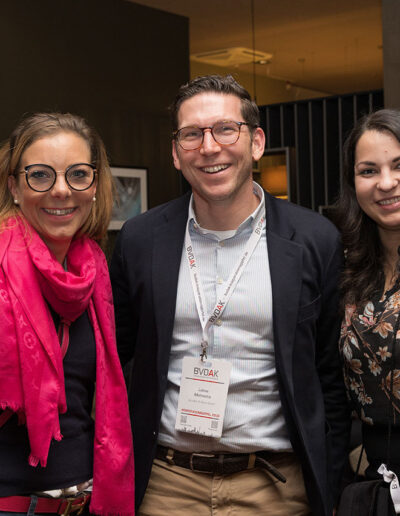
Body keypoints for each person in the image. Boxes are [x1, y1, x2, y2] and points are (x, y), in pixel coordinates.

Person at [111, 75, 349, 516]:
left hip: (275, 488)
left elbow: (329, 377)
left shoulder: (315, 240)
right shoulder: (139, 240)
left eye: (225, 129)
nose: (209, 147)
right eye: (191, 134)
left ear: (256, 142)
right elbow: (119, 360)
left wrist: (330, 486)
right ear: (175, 153)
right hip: (166, 486)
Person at [0, 113, 135, 516]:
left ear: (94, 187)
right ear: (14, 187)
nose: (61, 190)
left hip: (84, 502)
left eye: (78, 175)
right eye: (40, 176)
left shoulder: (94, 273)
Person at [337, 109, 400, 505]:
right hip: (373, 484)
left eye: (398, 165)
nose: (386, 183)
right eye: (369, 171)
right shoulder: (348, 271)